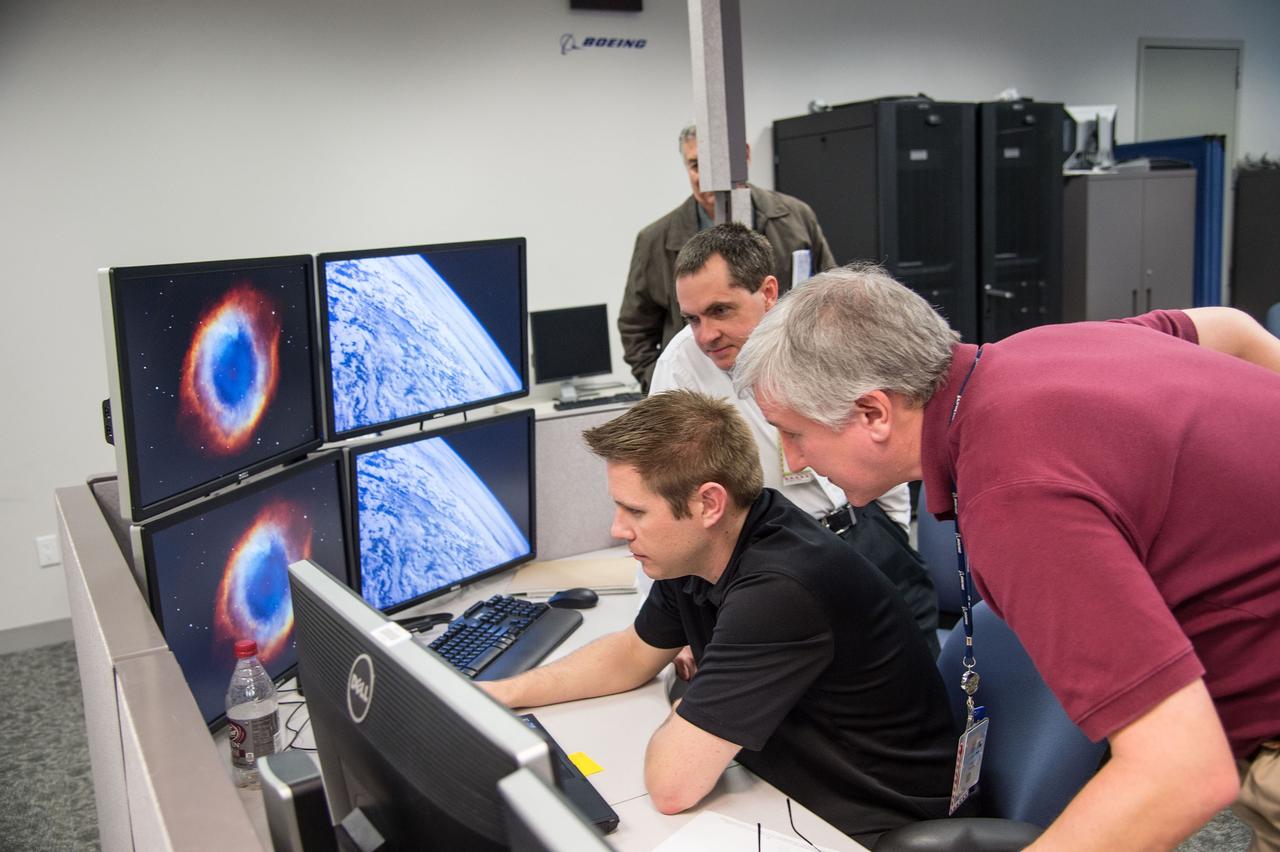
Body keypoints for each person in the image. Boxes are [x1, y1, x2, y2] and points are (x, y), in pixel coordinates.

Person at [732, 263, 1280, 851]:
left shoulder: (1012, 495)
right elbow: (1231, 328)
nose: (793, 460)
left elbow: (1180, 770)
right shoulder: (1043, 348)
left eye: (794, 433)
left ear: (873, 413)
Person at [479, 390, 958, 843]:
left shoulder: (782, 588)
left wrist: (705, 693)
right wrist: (499, 695)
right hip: (788, 788)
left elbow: (672, 786)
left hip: (870, 823)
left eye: (635, 511)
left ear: (708, 503)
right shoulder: (704, 548)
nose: (618, 529)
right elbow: (630, 656)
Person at [650, 222, 938, 655]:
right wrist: (676, 630)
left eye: (721, 311)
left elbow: (882, 426)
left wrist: (892, 526)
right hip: (782, 558)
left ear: (768, 292)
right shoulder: (682, 367)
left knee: (919, 673)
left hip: (868, 533)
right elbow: (664, 494)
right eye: (692, 319)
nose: (706, 334)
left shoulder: (824, 331)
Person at [618, 124, 836, 391]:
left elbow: (829, 298)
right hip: (703, 393)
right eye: (696, 165)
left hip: (791, 381)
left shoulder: (795, 218)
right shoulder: (655, 240)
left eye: (717, 163)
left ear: (745, 156)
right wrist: (671, 386)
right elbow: (635, 329)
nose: (708, 177)